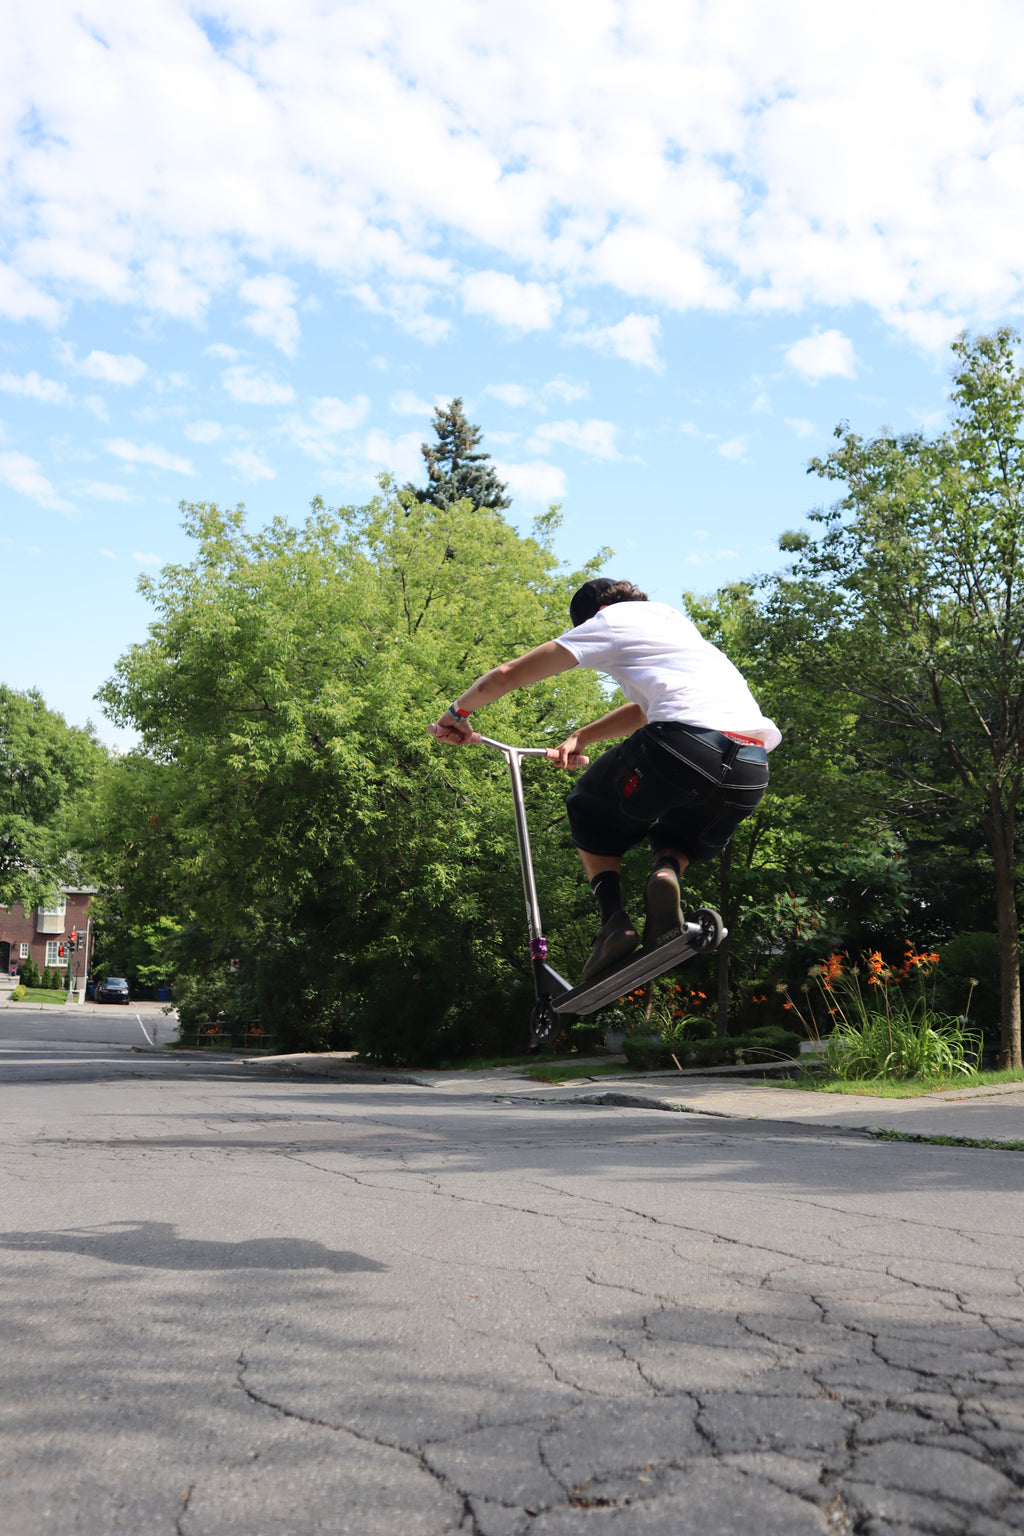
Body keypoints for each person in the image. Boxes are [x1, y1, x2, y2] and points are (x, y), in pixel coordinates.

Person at [429, 578, 781, 983]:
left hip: (683, 744)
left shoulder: (608, 620)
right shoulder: (678, 627)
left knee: (588, 809)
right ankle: (666, 872)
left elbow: (506, 675)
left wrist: (456, 715)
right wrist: (581, 736)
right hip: (751, 765)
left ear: (590, 617)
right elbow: (643, 708)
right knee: (681, 833)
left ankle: (614, 922)